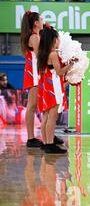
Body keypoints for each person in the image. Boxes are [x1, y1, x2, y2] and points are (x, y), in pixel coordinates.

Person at [37, 24, 74, 154]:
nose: (59, 41)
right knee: (52, 117)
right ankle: (50, 144)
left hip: (46, 86)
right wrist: (70, 65)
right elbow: (59, 72)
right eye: (58, 39)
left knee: (46, 116)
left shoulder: (43, 53)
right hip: (53, 87)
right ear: (53, 40)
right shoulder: (52, 54)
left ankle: (45, 142)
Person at [20, 11, 47, 147]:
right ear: (36, 23)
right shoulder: (34, 37)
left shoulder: (35, 36)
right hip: (34, 73)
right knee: (31, 106)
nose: (43, 21)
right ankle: (31, 138)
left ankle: (41, 136)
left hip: (35, 72)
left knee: (34, 106)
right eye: (41, 19)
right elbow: (40, 55)